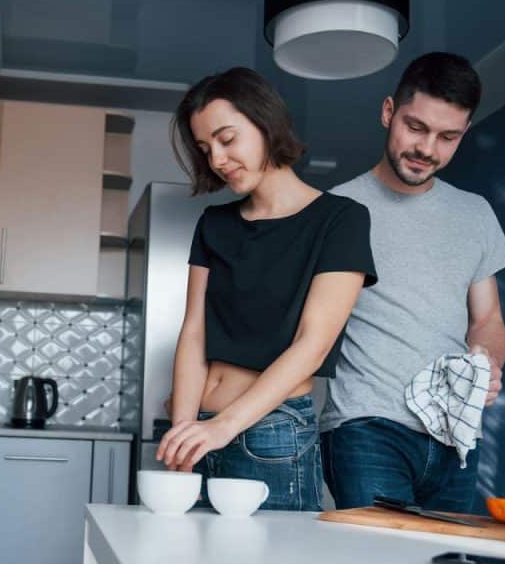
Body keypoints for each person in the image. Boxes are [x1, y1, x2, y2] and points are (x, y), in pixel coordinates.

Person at [156, 67, 378, 511]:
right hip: (199, 426)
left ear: (265, 123)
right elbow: (194, 333)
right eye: (205, 148)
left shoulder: (341, 220)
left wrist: (223, 427)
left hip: (271, 434)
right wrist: (184, 428)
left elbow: (312, 346)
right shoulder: (214, 224)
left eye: (226, 138)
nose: (216, 159)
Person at [320, 52, 505, 512]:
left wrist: (485, 364)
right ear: (389, 112)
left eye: (448, 137)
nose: (428, 149)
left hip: (458, 435)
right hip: (366, 426)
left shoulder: (476, 214)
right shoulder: (336, 209)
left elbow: (487, 318)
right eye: (416, 128)